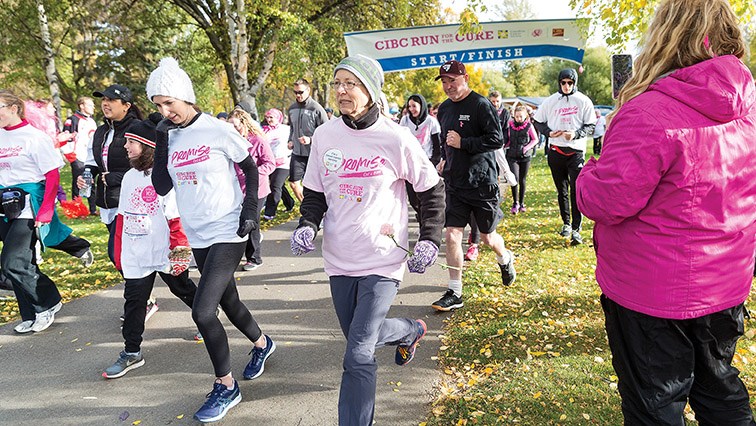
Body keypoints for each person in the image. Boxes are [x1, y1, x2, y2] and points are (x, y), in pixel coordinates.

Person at [575, 0, 756, 423]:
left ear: (667, 35)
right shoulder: (748, 108)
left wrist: (589, 169)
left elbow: (605, 200)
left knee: (654, 407)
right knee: (719, 389)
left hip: (652, 293)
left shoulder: (649, 111)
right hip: (722, 283)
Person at [290, 54, 445, 426]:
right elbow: (315, 192)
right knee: (364, 336)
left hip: (382, 260)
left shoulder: (395, 137)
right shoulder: (326, 135)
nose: (342, 91)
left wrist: (429, 239)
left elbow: (431, 190)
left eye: (351, 83)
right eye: (337, 83)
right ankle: (410, 330)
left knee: (358, 354)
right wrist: (307, 224)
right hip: (339, 259)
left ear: (371, 91)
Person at [147, 57, 275, 423]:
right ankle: (263, 344)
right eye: (158, 105)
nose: (165, 110)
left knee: (203, 310)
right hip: (198, 232)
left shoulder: (217, 130)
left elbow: (249, 165)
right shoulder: (169, 136)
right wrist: (161, 140)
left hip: (227, 229)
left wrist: (250, 209)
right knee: (229, 299)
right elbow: (161, 186)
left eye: (168, 102)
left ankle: (226, 385)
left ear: (186, 97)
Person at [102, 115, 197, 379]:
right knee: (134, 302)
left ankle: (206, 312)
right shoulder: (130, 176)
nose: (125, 146)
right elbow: (122, 217)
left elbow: (175, 220)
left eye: (131, 141)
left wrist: (179, 254)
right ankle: (132, 352)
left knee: (182, 288)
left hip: (163, 250)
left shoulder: (164, 177)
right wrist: (119, 252)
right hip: (136, 252)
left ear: (148, 146)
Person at [431, 60, 515, 312]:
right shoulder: (444, 109)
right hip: (455, 182)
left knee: (489, 238)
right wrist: (445, 159)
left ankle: (505, 257)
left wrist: (464, 143)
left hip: (482, 183)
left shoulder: (480, 104)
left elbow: (496, 139)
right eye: (444, 82)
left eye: (452, 81)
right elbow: (447, 141)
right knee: (452, 234)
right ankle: (455, 291)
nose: (448, 86)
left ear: (465, 78)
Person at [0, 90, 64, 333]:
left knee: (12, 262)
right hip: (4, 205)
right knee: (22, 263)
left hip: (28, 205)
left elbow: (52, 175)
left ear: (14, 108)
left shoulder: (34, 137)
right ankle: (29, 313)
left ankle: (46, 303)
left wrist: (46, 210)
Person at [79, 84, 143, 267]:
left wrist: (118, 177)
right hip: (108, 202)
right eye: (103, 100)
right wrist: (87, 175)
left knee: (117, 254)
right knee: (126, 256)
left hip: (131, 201)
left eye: (111, 100)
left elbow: (147, 166)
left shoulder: (138, 128)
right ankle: (142, 293)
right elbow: (93, 161)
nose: (105, 104)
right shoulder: (100, 131)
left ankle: (141, 294)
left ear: (126, 105)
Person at [533, 68, 596, 246]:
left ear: (575, 83)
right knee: (562, 190)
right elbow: (538, 121)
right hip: (556, 151)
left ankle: (577, 228)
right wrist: (548, 132)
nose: (566, 86)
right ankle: (566, 223)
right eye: (563, 83)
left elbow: (591, 125)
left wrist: (575, 134)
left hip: (575, 151)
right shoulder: (551, 101)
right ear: (559, 83)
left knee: (576, 190)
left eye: (570, 83)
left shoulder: (583, 100)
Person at [228, 108, 275, 271]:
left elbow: (270, 163)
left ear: (244, 123)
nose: (233, 129)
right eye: (230, 126)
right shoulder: (229, 142)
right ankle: (237, 255)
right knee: (237, 221)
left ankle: (255, 258)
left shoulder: (258, 141)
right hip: (236, 189)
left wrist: (253, 172)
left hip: (257, 188)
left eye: (236, 125)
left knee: (251, 221)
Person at [398, 93, 442, 227]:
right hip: (409, 163)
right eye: (409, 106)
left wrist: (433, 163)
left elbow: (436, 145)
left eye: (414, 106)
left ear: (421, 106)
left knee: (425, 197)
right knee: (413, 199)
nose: (411, 109)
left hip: (425, 162)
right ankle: (421, 217)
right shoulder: (405, 121)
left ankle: (425, 225)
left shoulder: (431, 122)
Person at [287, 78, 328, 202]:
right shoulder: (292, 108)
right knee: (294, 183)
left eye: (300, 92)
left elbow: (326, 132)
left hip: (313, 153)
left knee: (314, 186)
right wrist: (290, 140)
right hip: (297, 153)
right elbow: (292, 128)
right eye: (295, 92)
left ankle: (320, 209)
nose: (298, 95)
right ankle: (306, 206)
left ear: (308, 90)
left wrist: (310, 140)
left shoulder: (317, 108)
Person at [62, 96, 98, 215]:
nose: (93, 107)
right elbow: (65, 138)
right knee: (78, 183)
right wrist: (70, 155)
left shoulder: (91, 121)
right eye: (90, 105)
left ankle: (92, 209)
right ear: (82, 106)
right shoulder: (72, 120)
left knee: (90, 181)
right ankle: (76, 210)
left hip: (90, 157)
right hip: (78, 156)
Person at [262, 108, 295, 220]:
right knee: (278, 186)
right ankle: (290, 203)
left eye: (272, 117)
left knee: (275, 186)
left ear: (278, 118)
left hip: (284, 162)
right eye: (267, 117)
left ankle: (269, 213)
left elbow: (293, 140)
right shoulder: (264, 130)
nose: (269, 119)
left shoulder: (286, 129)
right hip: (270, 162)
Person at [505, 106, 538, 214]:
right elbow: (508, 140)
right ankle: (515, 203)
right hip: (512, 156)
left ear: (525, 116)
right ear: (514, 115)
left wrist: (526, 148)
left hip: (525, 157)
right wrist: (503, 146)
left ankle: (522, 202)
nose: (518, 118)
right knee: (514, 179)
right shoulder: (510, 126)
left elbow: (535, 139)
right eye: (517, 116)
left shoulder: (529, 126)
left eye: (521, 116)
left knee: (522, 180)